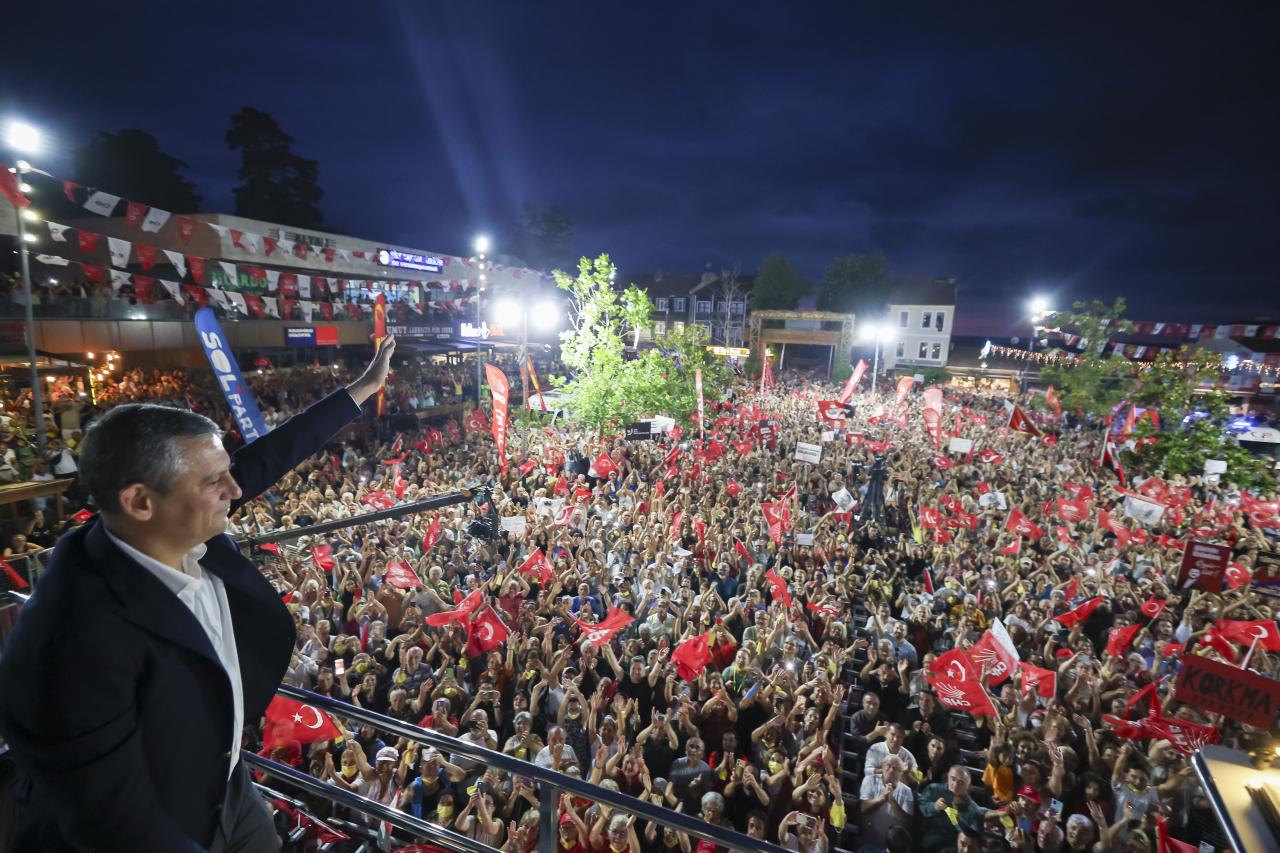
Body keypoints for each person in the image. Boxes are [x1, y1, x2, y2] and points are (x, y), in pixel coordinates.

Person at [0, 336, 395, 852]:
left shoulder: (170, 524)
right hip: (168, 818)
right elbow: (115, 819)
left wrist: (361, 389)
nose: (236, 489)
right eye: (215, 481)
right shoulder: (71, 637)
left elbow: (270, 455)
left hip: (230, 786)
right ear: (139, 501)